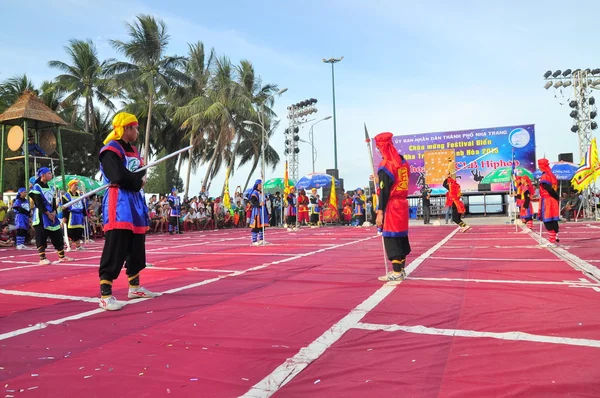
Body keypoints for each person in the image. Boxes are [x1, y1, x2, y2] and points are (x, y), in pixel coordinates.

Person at [97, 112, 159, 311]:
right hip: (119, 200)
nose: (137, 131)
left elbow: (138, 172)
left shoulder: (133, 149)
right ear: (126, 129)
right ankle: (106, 294)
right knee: (117, 242)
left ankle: (135, 286)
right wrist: (136, 182)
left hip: (134, 200)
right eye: (135, 128)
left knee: (136, 243)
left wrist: (140, 180)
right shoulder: (110, 150)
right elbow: (117, 175)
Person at [374, 132, 412, 282]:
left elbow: (384, 192)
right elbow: (394, 182)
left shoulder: (386, 164)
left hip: (391, 204)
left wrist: (380, 211)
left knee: (391, 237)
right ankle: (401, 270)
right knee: (401, 236)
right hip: (402, 203)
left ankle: (396, 272)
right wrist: (379, 179)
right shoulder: (402, 161)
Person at [29, 167, 72, 264]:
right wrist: (47, 213)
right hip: (41, 215)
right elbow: (38, 202)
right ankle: (42, 258)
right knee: (42, 235)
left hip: (51, 214)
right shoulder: (36, 187)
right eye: (48, 173)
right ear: (42, 175)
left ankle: (62, 256)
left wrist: (53, 212)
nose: (51, 175)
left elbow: (53, 201)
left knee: (57, 234)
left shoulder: (51, 187)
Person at [538, 158, 560, 246]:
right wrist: (556, 197)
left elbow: (548, 188)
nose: (539, 167)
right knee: (552, 219)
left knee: (547, 220)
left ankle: (552, 240)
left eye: (539, 166)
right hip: (552, 199)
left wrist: (555, 196)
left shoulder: (545, 175)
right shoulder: (551, 175)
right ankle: (554, 237)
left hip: (548, 200)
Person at [62, 180, 87, 250]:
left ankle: (78, 245)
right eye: (75, 185)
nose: (76, 187)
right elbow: (64, 207)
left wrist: (85, 215)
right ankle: (69, 245)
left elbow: (83, 205)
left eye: (77, 185)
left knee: (79, 230)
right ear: (70, 186)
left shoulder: (80, 195)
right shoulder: (66, 196)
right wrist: (64, 216)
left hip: (79, 215)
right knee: (70, 231)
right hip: (71, 215)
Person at [248, 179, 268, 245]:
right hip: (257, 211)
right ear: (258, 185)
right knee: (256, 225)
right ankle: (254, 241)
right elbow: (253, 201)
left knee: (262, 226)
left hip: (263, 211)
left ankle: (261, 239)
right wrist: (259, 204)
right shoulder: (255, 192)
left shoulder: (262, 192)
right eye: (261, 184)